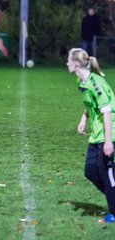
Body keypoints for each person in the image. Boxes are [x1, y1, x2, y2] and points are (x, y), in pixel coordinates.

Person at [66, 48, 115, 224]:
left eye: (68, 61)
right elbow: (90, 103)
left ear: (76, 63)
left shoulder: (96, 83)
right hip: (96, 134)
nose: (66, 63)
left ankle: (114, 213)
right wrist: (83, 118)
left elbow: (107, 112)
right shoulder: (82, 81)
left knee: (106, 174)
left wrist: (109, 142)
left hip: (109, 134)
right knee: (90, 171)